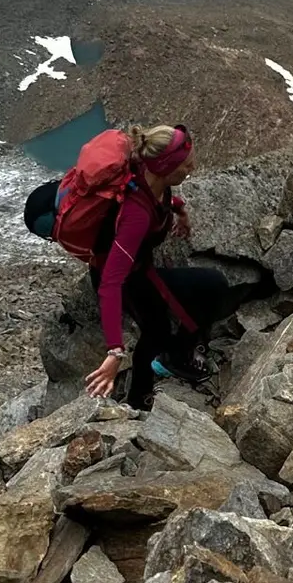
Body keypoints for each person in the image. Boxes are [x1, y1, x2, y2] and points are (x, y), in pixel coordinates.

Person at [82, 124, 239, 410]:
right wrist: (114, 351)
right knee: (157, 333)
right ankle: (139, 400)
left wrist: (180, 210)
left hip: (140, 271)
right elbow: (110, 283)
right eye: (186, 165)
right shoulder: (136, 215)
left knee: (211, 285)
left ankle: (174, 358)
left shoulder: (150, 180)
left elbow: (163, 199)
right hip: (126, 279)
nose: (192, 168)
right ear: (167, 168)